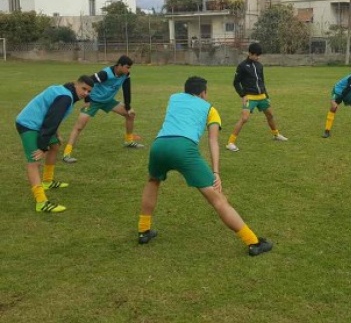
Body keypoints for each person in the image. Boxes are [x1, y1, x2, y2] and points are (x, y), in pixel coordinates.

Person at [136, 76, 273, 256]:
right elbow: (213, 141)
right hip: (184, 149)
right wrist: (216, 172)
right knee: (217, 198)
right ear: (203, 93)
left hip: (159, 145)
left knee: (153, 181)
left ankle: (143, 230)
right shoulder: (210, 109)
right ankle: (253, 242)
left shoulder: (173, 98)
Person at [15, 75, 94, 213]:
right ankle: (41, 202)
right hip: (28, 124)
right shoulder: (66, 97)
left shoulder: (64, 90)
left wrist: (56, 134)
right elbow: (51, 120)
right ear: (76, 84)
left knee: (55, 145)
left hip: (40, 123)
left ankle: (47, 181)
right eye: (84, 89)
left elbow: (51, 114)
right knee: (34, 161)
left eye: (89, 91)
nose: (85, 93)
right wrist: (42, 147)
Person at [62, 55, 143, 163]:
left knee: (130, 115)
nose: (128, 70)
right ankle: (67, 153)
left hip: (108, 101)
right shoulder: (105, 74)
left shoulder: (125, 74)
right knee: (79, 127)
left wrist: (128, 107)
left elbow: (126, 89)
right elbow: (88, 82)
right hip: (94, 101)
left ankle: (129, 141)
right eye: (127, 67)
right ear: (119, 65)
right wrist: (87, 100)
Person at [226, 43, 287, 152]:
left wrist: (267, 96)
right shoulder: (242, 66)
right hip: (249, 96)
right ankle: (230, 143)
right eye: (256, 55)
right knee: (244, 119)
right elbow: (236, 82)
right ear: (249, 53)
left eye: (259, 55)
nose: (258, 57)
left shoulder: (259, 65)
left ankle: (276, 134)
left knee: (270, 115)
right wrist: (242, 95)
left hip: (262, 96)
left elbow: (262, 82)